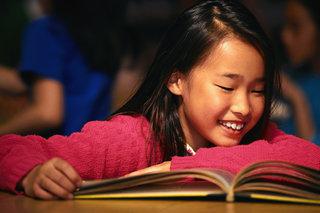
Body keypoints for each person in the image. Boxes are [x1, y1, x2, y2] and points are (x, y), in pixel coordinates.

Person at [0, 0, 319, 200]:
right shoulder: (133, 138)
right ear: (176, 80)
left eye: (258, 90)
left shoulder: (256, 135)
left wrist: (178, 169)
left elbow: (312, 159)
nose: (245, 107)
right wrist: (31, 172)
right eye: (226, 87)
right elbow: (8, 148)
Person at [0, 0, 126, 136]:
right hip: (91, 143)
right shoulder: (105, 33)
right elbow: (25, 82)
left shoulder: (46, 30)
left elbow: (47, 113)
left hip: (57, 147)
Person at [272, 0, 320, 144]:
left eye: (296, 27)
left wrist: (297, 98)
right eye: (285, 25)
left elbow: (314, 156)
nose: (285, 36)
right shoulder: (288, 75)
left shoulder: (291, 85)